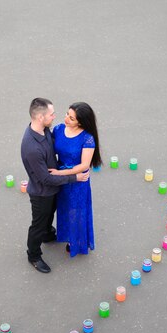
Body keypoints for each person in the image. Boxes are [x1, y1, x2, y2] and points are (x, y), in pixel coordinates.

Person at [20, 98, 90, 273]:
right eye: (51, 114)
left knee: (49, 216)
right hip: (42, 192)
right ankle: (33, 255)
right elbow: (46, 179)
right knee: (38, 224)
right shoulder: (32, 148)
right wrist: (75, 177)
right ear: (41, 117)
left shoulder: (45, 130)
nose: (55, 117)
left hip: (53, 190)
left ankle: (48, 234)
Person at [49, 102, 102, 257]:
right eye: (67, 114)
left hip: (78, 181)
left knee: (77, 210)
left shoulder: (87, 138)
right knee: (64, 207)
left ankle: (76, 241)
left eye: (71, 118)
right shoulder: (58, 129)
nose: (66, 119)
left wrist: (59, 173)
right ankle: (65, 234)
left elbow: (84, 165)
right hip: (63, 177)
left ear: (80, 122)